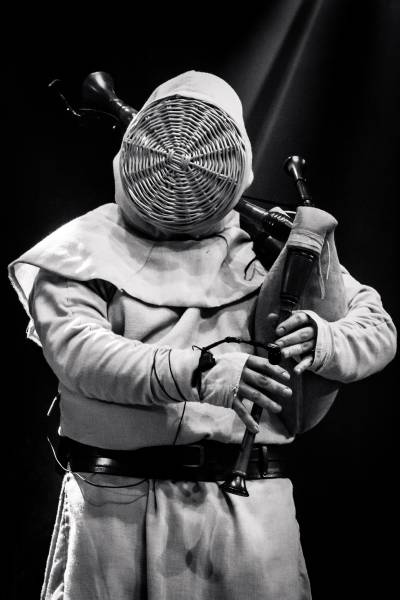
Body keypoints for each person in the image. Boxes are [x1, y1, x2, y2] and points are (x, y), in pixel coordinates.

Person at [9, 71, 396, 600]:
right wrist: (202, 371)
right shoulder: (80, 249)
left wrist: (321, 338)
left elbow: (377, 328)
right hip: (114, 516)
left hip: (250, 523)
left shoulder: (268, 247)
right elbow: (81, 355)